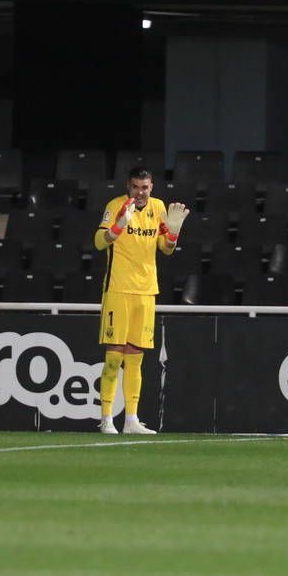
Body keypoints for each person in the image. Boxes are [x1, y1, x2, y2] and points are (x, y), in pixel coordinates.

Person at [94, 167, 189, 434]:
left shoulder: (158, 207)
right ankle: (106, 419)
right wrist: (117, 227)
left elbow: (166, 250)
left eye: (145, 187)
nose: (140, 192)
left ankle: (131, 420)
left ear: (152, 187)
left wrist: (173, 233)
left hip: (147, 290)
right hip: (118, 289)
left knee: (136, 358)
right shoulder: (115, 206)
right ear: (128, 186)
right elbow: (99, 242)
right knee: (114, 356)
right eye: (135, 186)